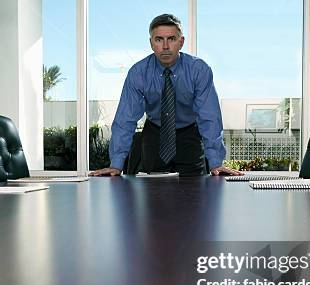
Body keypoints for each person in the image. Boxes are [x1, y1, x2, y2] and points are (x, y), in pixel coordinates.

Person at [89, 14, 243, 177]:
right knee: (154, 195)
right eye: (159, 39)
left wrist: (216, 162)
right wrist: (116, 164)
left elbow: (209, 117)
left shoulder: (199, 70)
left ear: (181, 42)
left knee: (195, 194)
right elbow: (125, 118)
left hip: (189, 133)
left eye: (171, 38)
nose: (165, 46)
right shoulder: (138, 73)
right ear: (151, 43)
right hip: (155, 134)